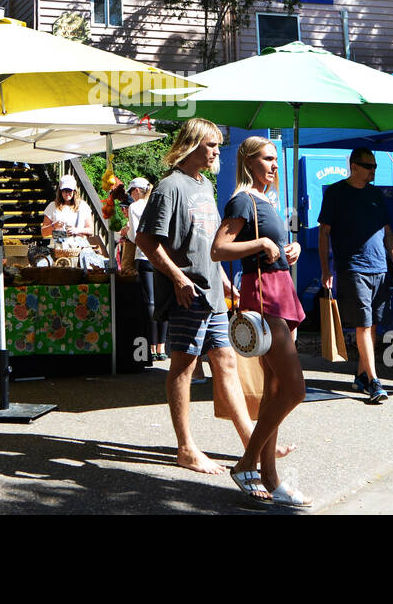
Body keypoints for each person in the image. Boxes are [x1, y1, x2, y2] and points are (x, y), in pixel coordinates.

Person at [135, 118, 247, 477]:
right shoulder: (169, 187)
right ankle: (185, 448)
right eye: (212, 145)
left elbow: (209, 245)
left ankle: (252, 441)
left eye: (217, 145)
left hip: (213, 292)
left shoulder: (204, 185)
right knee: (184, 366)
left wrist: (226, 281)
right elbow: (146, 241)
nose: (217, 151)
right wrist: (179, 277)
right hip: (189, 294)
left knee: (226, 362)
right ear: (194, 144)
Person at [212, 137, 310, 506]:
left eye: (276, 159)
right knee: (295, 389)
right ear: (249, 161)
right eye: (268, 159)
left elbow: (271, 248)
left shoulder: (268, 199)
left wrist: (289, 250)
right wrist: (260, 246)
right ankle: (247, 463)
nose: (275, 165)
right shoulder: (243, 199)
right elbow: (218, 249)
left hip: (280, 288)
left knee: (274, 391)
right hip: (264, 293)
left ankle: (270, 476)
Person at [318, 147, 393, 402]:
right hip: (353, 267)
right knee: (363, 324)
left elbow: (387, 230)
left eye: (375, 166)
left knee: (373, 324)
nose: (373, 171)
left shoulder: (376, 194)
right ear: (354, 166)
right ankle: (375, 381)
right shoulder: (336, 192)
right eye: (369, 166)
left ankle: (361, 376)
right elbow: (324, 233)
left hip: (380, 266)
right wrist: (325, 269)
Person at [122, 176, 166, 362]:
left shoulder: (135, 207)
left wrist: (125, 232)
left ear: (138, 190)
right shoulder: (158, 203)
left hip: (143, 255)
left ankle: (150, 346)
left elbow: (134, 236)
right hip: (162, 256)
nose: (131, 196)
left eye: (132, 191)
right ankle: (162, 347)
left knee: (149, 302)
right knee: (162, 301)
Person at [42, 173, 105, 255]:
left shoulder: (83, 206)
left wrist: (76, 230)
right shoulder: (52, 206)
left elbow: (91, 230)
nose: (67, 193)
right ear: (60, 191)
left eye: (70, 190)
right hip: (59, 248)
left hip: (78, 248)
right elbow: (43, 232)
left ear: (74, 191)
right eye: (64, 190)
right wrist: (54, 226)